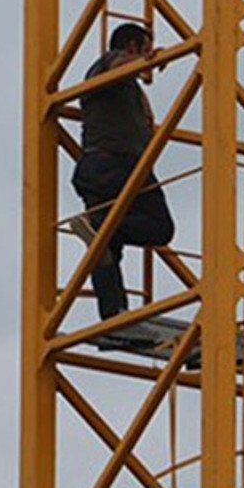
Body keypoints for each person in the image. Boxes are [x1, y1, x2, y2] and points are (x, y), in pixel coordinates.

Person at [72, 23, 175, 320]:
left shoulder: (130, 88)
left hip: (114, 166)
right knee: (159, 227)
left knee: (106, 248)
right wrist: (148, 60)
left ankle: (114, 314)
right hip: (113, 165)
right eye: (144, 49)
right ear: (132, 47)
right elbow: (118, 62)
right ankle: (101, 224)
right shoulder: (107, 66)